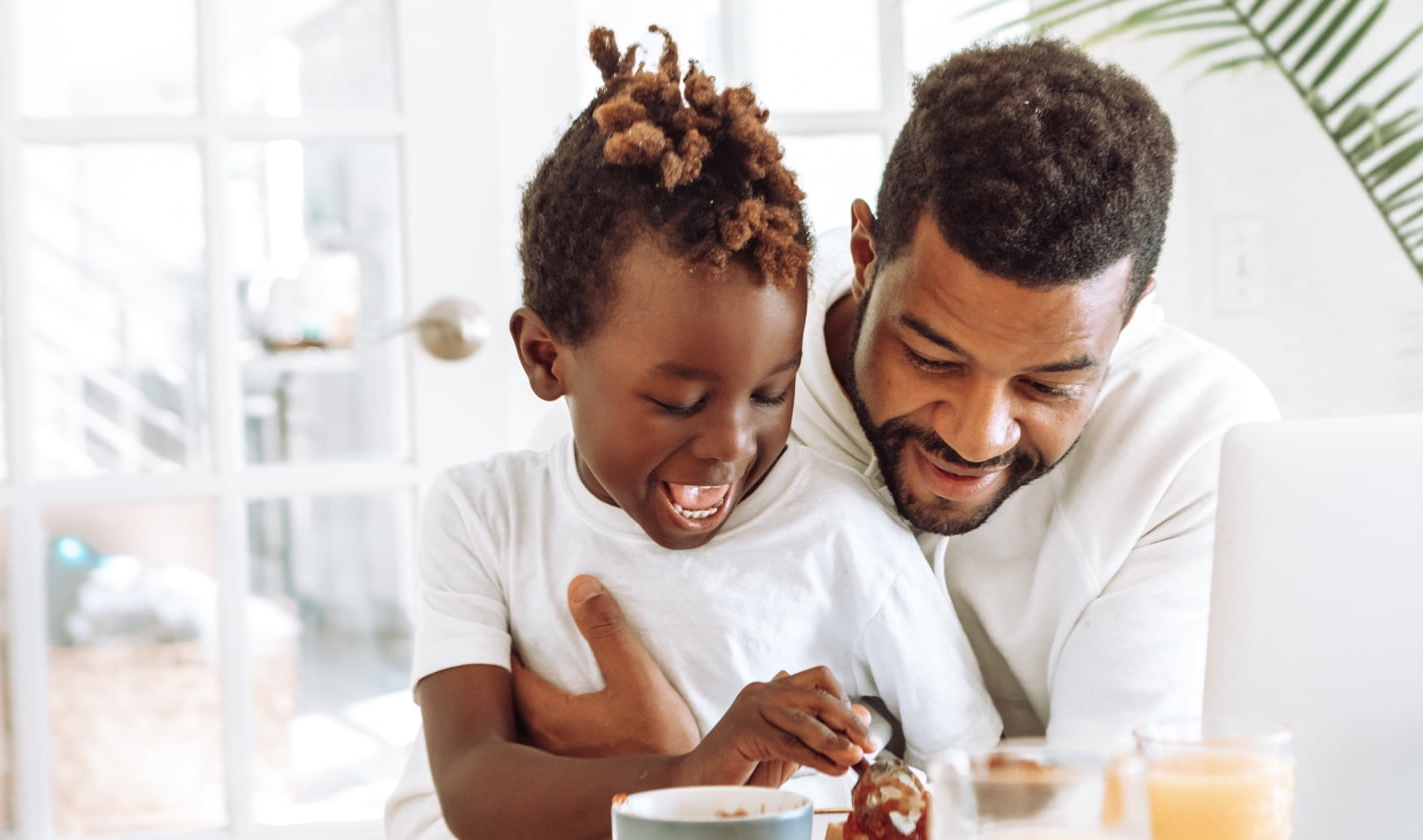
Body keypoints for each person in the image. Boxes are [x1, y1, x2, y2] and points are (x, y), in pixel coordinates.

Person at [515, 38, 1279, 746]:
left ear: (1133, 311)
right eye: (932, 358)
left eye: (1047, 384)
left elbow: (1117, 815)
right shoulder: (700, 397)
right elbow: (435, 808)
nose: (978, 436)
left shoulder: (1195, 438)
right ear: (864, 253)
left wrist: (688, 781)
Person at [384, 27, 998, 840]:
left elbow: (971, 769)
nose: (730, 446)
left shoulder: (845, 534)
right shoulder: (484, 519)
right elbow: (469, 783)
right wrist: (694, 775)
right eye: (678, 402)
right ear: (545, 358)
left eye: (772, 394)